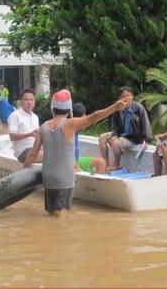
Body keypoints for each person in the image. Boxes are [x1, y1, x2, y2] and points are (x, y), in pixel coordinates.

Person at [24, 89, 127, 218]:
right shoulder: (69, 124)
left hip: (48, 177)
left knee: (51, 214)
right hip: (64, 179)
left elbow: (32, 154)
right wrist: (115, 107)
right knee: (62, 216)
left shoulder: (43, 127)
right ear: (69, 108)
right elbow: (93, 117)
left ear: (52, 107)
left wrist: (23, 174)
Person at [99, 86, 152, 171]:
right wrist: (114, 135)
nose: (126, 98)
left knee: (115, 143)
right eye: (123, 96)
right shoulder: (118, 108)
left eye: (128, 95)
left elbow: (146, 125)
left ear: (132, 96)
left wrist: (146, 141)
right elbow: (114, 125)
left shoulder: (139, 108)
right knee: (102, 137)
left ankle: (117, 164)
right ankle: (105, 162)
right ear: (120, 98)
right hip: (121, 133)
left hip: (133, 138)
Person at [7, 89, 42, 164]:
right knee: (51, 155)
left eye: (32, 99)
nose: (30, 102)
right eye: (26, 100)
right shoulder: (15, 116)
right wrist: (30, 134)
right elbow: (12, 136)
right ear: (21, 101)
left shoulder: (35, 117)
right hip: (23, 152)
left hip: (36, 148)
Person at [72, 103, 106, 174]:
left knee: (101, 163)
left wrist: (92, 121)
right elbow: (67, 151)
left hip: (77, 160)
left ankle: (97, 184)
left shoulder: (76, 126)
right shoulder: (70, 129)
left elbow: (88, 122)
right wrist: (76, 165)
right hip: (71, 162)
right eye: (85, 116)